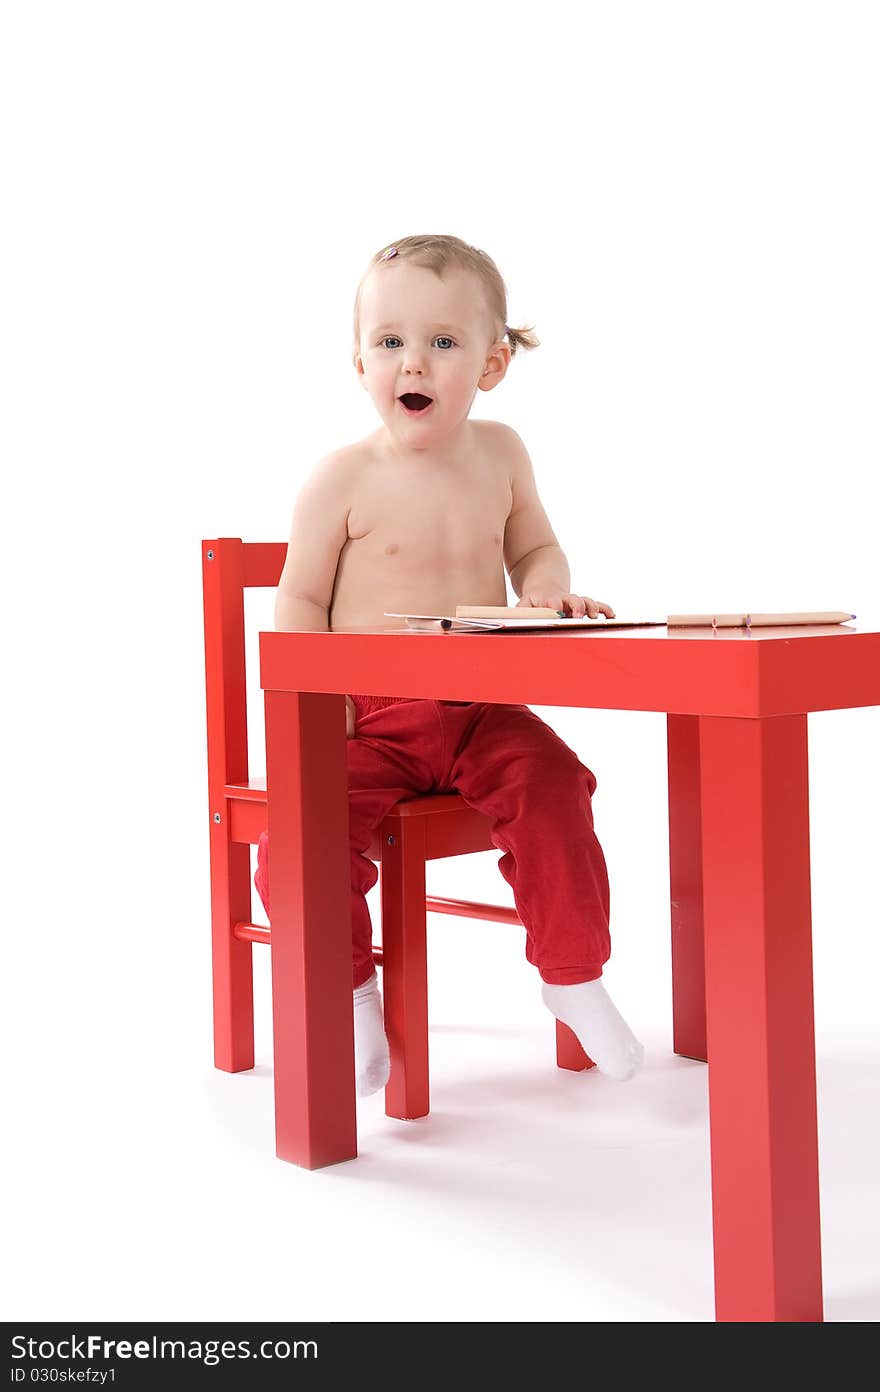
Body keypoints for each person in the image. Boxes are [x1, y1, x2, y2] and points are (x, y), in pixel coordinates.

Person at [255, 233, 644, 1097]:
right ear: (358, 361)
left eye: (443, 341)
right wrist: (321, 710)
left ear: (493, 362)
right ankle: (350, 988)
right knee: (298, 839)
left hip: (481, 705)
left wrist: (547, 592)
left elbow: (536, 546)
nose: (412, 362)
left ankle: (572, 973)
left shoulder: (502, 455)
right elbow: (298, 602)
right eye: (390, 341)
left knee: (557, 784)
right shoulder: (342, 476)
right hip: (366, 715)